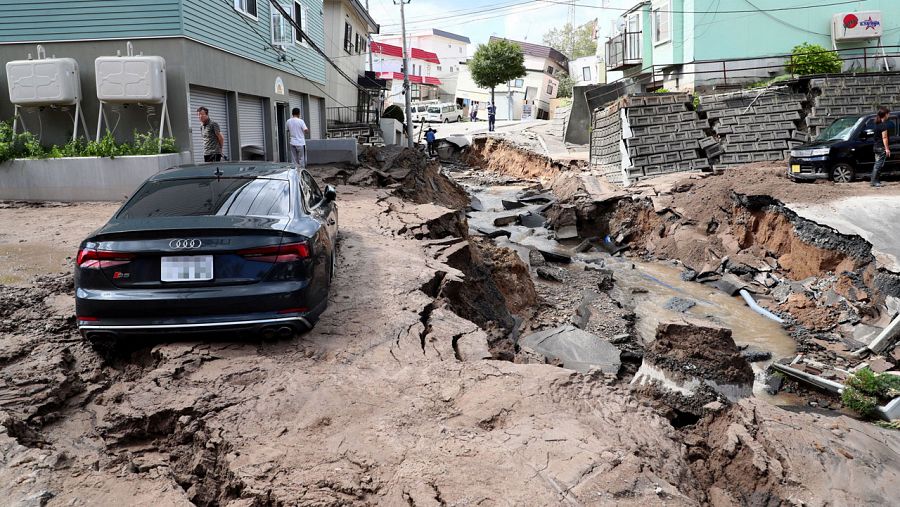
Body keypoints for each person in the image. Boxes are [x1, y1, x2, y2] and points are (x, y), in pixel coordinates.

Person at [871, 106, 893, 187]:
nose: (889, 115)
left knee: (877, 164)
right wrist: (887, 149)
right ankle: (874, 182)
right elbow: (884, 138)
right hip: (881, 148)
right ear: (885, 114)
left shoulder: (876, 123)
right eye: (888, 114)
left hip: (876, 147)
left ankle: (875, 180)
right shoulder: (883, 125)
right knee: (878, 165)